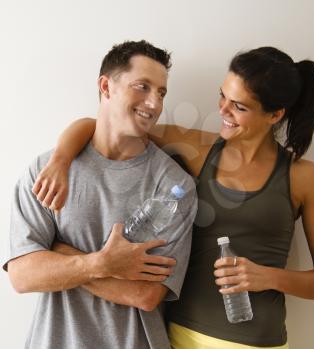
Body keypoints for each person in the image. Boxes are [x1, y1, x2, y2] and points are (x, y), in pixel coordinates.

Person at [30, 47, 314, 349]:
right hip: (181, 337)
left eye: (239, 106)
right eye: (223, 96)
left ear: (275, 114)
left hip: (258, 341)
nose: (223, 110)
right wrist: (60, 161)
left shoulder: (305, 177)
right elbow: (105, 124)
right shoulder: (200, 149)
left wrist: (268, 277)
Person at [3, 40, 198, 349]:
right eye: (142, 86)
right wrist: (100, 264)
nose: (154, 103)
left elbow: (145, 295)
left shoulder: (175, 187)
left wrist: (60, 253)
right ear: (106, 86)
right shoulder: (49, 172)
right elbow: (23, 276)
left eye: (161, 92)